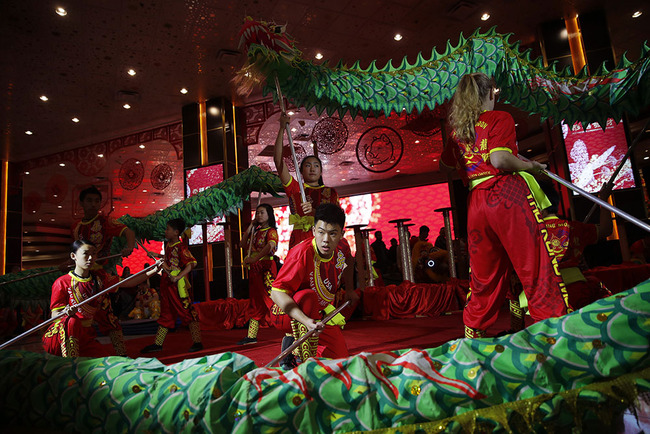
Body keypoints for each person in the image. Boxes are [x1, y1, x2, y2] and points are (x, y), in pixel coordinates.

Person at [441, 72, 570, 338]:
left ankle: (473, 335)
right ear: (491, 93)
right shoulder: (500, 118)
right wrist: (531, 166)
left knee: (483, 275)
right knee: (534, 265)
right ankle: (554, 333)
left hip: (476, 203)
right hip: (507, 197)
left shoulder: (457, 130)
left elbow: (445, 166)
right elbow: (500, 160)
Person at [269, 204, 358, 368]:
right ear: (313, 231)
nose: (325, 239)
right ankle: (294, 353)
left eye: (332, 234)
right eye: (321, 232)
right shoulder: (302, 253)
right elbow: (276, 293)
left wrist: (350, 289)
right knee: (307, 296)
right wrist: (306, 321)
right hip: (286, 313)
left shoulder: (342, 247)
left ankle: (308, 344)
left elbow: (349, 260)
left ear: (341, 235)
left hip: (320, 313)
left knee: (340, 360)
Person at [42, 240, 159, 358]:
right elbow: (55, 315)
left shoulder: (100, 278)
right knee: (72, 321)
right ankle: (71, 362)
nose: (90, 258)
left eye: (93, 254)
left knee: (105, 359)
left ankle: (122, 355)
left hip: (86, 336)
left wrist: (154, 270)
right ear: (73, 256)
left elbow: (127, 282)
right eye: (86, 253)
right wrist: (65, 313)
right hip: (64, 336)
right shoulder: (62, 282)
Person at [274, 113, 339, 248]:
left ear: (321, 171)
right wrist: (281, 128)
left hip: (322, 239)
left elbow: (336, 219)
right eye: (308, 165)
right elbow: (278, 162)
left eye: (316, 166)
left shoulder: (330, 192)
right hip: (300, 240)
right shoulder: (296, 188)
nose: (312, 169)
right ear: (301, 171)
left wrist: (314, 212)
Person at [141, 218, 203, 353]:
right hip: (167, 283)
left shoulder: (181, 247)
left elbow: (192, 263)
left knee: (186, 310)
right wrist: (157, 255)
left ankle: (197, 342)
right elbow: (169, 259)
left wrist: (178, 276)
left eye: (168, 229)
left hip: (177, 285)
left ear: (176, 232)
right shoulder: (168, 245)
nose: (165, 231)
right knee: (166, 313)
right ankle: (158, 344)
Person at [237, 203, 279, 345]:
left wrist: (255, 258)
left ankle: (293, 329)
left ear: (269, 215)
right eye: (257, 213)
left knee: (272, 298)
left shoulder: (271, 231)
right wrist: (250, 227)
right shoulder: (256, 232)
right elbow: (242, 244)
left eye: (262, 212)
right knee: (255, 302)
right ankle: (251, 336)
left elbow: (269, 247)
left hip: (266, 269)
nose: (259, 215)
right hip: (255, 270)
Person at [72, 186, 135, 269]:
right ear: (81, 203)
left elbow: (129, 232)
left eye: (97, 201)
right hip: (80, 269)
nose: (93, 204)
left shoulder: (105, 222)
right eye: (89, 200)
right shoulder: (76, 226)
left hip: (99, 269)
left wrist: (130, 248)